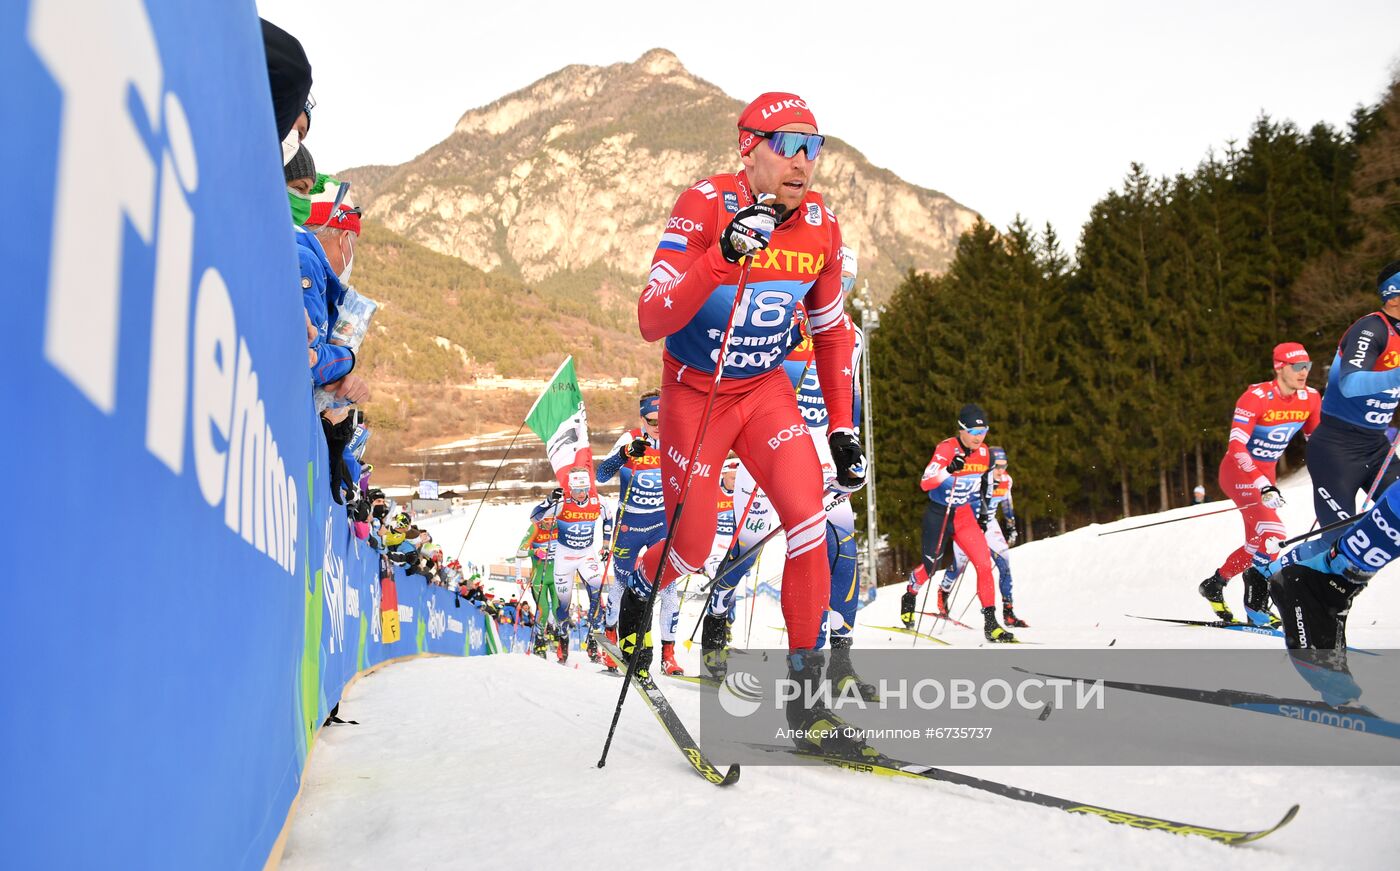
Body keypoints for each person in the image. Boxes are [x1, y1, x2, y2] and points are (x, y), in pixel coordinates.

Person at [626, 91, 865, 753]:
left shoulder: (821, 224)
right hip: (695, 396)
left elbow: (830, 331)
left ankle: (808, 701)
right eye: (788, 144)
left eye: (814, 146)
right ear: (748, 147)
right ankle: (642, 587)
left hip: (762, 394)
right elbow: (652, 318)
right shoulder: (703, 205)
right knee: (694, 546)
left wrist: (841, 428)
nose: (803, 161)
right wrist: (720, 257)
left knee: (810, 518)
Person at [1199, 342, 1320, 625]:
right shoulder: (1256, 397)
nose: (1304, 372)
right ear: (1279, 367)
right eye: (1297, 366)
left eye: (1307, 366)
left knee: (1257, 545)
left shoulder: (1311, 398)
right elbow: (1236, 446)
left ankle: (1215, 584)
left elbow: (1317, 442)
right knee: (1273, 534)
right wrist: (1261, 483)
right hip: (1239, 472)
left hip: (1266, 476)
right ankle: (1257, 608)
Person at [902, 404, 1014, 643]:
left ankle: (991, 624)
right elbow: (926, 483)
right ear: (961, 430)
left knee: (984, 564)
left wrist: (983, 514)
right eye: (973, 431)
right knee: (931, 566)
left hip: (963, 515)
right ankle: (910, 594)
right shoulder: (945, 449)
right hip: (939, 514)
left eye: (983, 432)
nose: (979, 437)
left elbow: (986, 484)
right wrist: (948, 470)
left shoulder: (985, 454)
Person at [1306, 261, 1400, 543]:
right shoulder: (1371, 328)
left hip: (1376, 447)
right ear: (1394, 296)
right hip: (1336, 448)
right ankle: (1270, 573)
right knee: (1337, 547)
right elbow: (1349, 384)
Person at [595, 391, 672, 673]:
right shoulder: (629, 439)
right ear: (641, 418)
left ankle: (668, 653)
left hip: (659, 524)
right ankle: (613, 637)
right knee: (622, 585)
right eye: (652, 421)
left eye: (663, 420)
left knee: (667, 587)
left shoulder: (674, 438)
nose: (658, 426)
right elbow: (601, 475)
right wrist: (624, 455)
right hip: (630, 524)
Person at [937, 445, 1024, 627]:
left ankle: (1008, 612)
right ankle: (943, 593)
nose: (1001, 470)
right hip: (969, 525)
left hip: (990, 523)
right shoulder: (976, 479)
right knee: (959, 565)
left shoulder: (1007, 481)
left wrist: (1011, 526)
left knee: (1005, 564)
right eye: (997, 466)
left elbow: (1007, 504)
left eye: (1004, 466)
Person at [530, 468, 609, 665]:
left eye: (584, 489)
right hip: (564, 559)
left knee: (596, 592)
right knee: (563, 606)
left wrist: (606, 544)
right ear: (570, 489)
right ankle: (563, 636)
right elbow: (534, 517)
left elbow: (609, 518)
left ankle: (593, 636)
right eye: (576, 490)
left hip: (586, 556)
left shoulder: (597, 501)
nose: (581, 495)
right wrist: (549, 500)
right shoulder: (562, 503)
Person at [516, 513, 558, 657]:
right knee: (544, 610)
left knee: (559, 609)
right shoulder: (535, 528)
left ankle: (561, 641)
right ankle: (539, 641)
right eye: (547, 522)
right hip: (539, 576)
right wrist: (535, 551)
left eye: (553, 521)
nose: (550, 525)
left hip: (557, 575)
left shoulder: (561, 526)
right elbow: (519, 553)